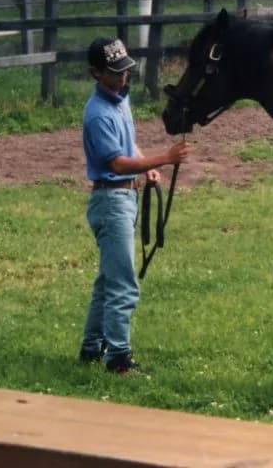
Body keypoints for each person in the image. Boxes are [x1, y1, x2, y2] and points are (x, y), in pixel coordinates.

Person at [79, 36, 189, 374]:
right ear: (96, 73)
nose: (123, 76)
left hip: (123, 198)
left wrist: (147, 163)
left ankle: (91, 346)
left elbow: (129, 148)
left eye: (125, 69)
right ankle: (118, 358)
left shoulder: (119, 100)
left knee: (107, 281)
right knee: (123, 284)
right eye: (115, 72)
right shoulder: (98, 114)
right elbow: (116, 164)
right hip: (113, 200)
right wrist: (165, 158)